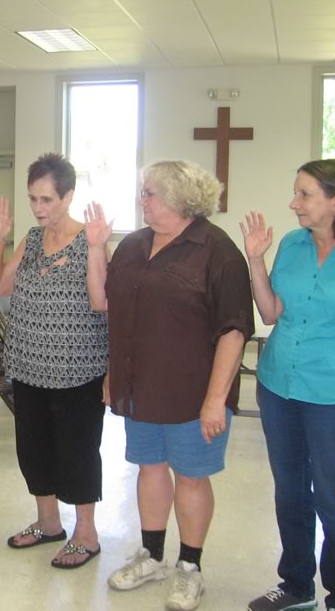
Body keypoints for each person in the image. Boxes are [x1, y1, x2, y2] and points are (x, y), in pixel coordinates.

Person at [86, 159, 254, 610]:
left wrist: (215, 400)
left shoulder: (217, 251)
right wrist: (96, 248)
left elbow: (235, 330)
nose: (142, 200)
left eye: (150, 193)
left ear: (181, 200)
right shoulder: (135, 245)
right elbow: (105, 304)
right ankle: (153, 556)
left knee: (193, 479)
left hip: (193, 392)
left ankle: (190, 568)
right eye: (143, 192)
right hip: (140, 385)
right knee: (150, 468)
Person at [241, 159, 335, 611]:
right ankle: (296, 585)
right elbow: (269, 313)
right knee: (290, 490)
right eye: (296, 193)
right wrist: (255, 259)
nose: (294, 203)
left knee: (334, 496)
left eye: (305, 194)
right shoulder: (291, 245)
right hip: (279, 388)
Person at [0, 152, 109, 569]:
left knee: (77, 451)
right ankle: (48, 522)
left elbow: (100, 301)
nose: (38, 209)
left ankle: (86, 534)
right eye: (33, 199)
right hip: (29, 364)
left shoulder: (89, 238)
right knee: (34, 449)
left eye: (47, 200)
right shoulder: (33, 239)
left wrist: (96, 249)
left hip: (78, 369)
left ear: (68, 196)